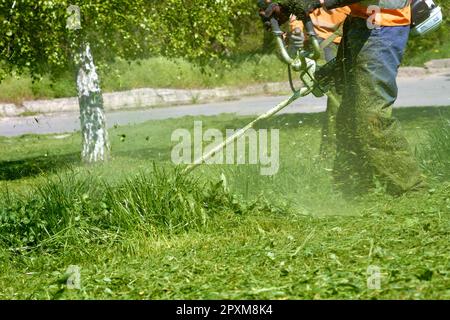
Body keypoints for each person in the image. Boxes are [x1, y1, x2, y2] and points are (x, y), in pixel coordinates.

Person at [260, 0, 424, 195]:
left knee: (371, 117)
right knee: (347, 115)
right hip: (359, 22)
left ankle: (411, 189)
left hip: (383, 26)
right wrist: (288, 7)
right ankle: (354, 188)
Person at [289, 7, 349, 159]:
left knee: (351, 92)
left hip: (351, 35)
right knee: (337, 93)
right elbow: (297, 8)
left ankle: (345, 150)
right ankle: (330, 153)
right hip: (324, 39)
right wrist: (297, 30)